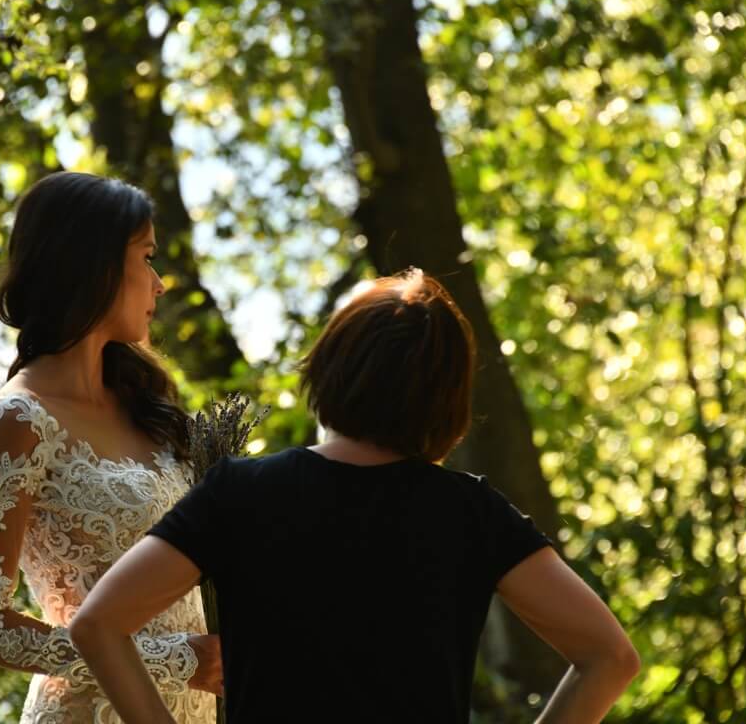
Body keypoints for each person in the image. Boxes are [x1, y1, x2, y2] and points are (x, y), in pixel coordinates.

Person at [70, 269, 640, 723]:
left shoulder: (241, 492)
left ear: (331, 365)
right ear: (448, 399)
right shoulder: (473, 514)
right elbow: (611, 658)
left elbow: (98, 623)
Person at [0, 172, 219, 723]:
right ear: (95, 266)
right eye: (146, 258)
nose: (159, 284)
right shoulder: (20, 420)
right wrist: (176, 660)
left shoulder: (145, 404)